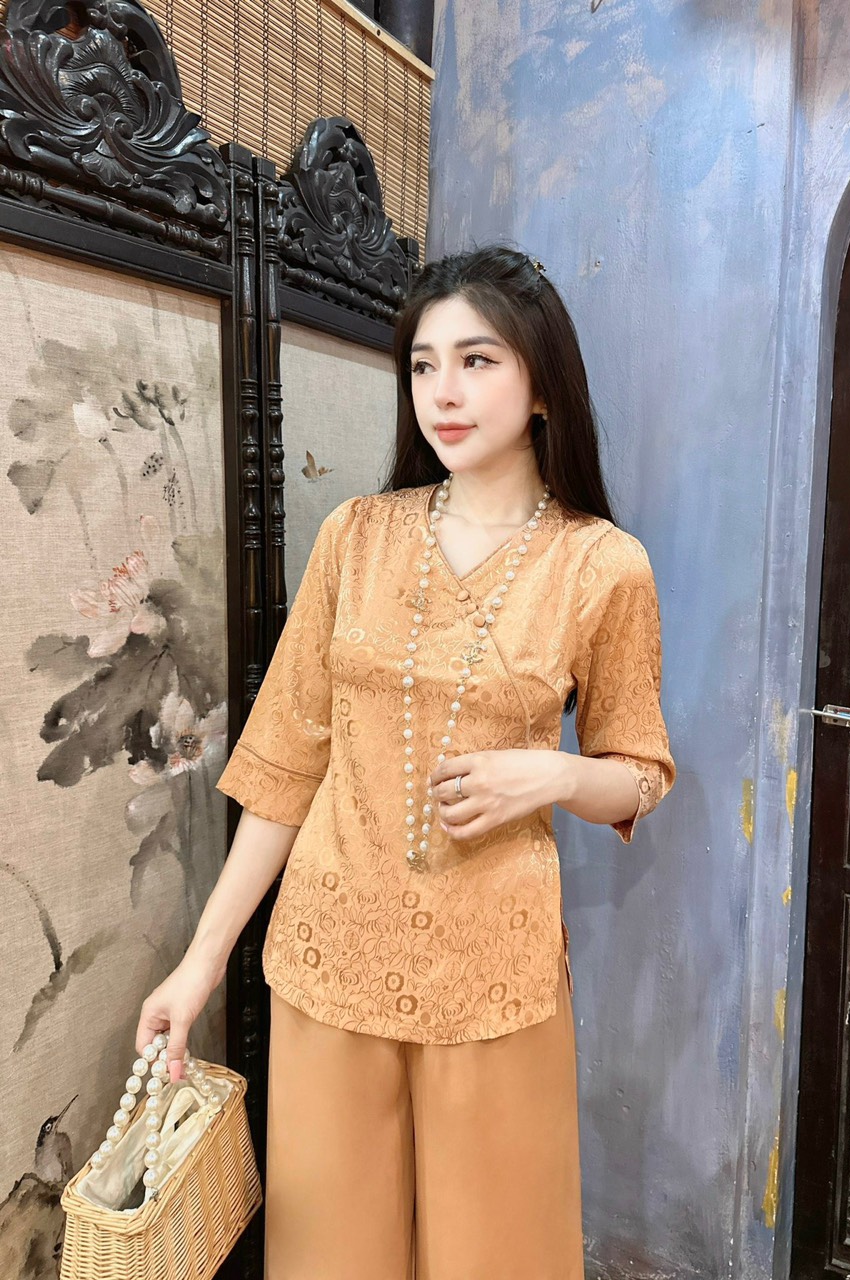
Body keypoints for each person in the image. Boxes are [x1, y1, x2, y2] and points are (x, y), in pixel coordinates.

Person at [136, 244, 676, 1279]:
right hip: (328, 959)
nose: (443, 392)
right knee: (328, 1256)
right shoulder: (356, 536)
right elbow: (285, 764)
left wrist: (555, 775)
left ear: (541, 385)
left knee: (496, 1256)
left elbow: (640, 768)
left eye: (476, 360)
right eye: (423, 365)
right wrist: (201, 962)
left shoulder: (602, 564)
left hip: (494, 973)